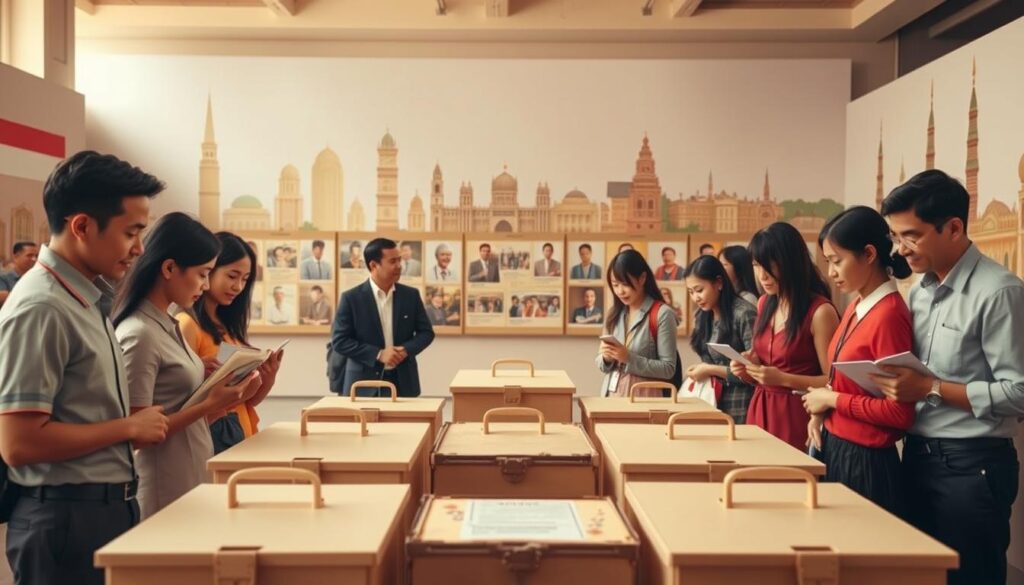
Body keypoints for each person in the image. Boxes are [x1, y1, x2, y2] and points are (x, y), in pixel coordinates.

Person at [0, 151, 170, 585]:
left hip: (100, 512)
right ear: (81, 226)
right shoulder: (42, 307)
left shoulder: (84, 297)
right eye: (131, 232)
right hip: (65, 519)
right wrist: (128, 428)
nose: (139, 248)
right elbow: (18, 444)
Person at [872, 170, 1024, 585]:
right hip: (918, 454)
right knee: (918, 575)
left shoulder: (999, 292)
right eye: (894, 237)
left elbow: (1020, 392)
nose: (900, 250)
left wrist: (930, 388)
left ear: (954, 227)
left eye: (911, 236)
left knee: (968, 578)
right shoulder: (920, 289)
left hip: (971, 467)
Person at [112, 213, 261, 520]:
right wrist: (208, 404)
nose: (206, 285)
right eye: (203, 273)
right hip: (163, 486)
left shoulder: (165, 324)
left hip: (190, 473)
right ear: (169, 268)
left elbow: (175, 407)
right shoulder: (140, 332)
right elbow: (138, 433)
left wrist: (217, 393)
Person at [797, 206, 915, 516]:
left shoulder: (889, 315)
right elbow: (843, 379)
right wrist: (821, 413)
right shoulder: (856, 306)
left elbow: (899, 414)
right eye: (828, 263)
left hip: (866, 460)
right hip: (836, 445)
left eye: (837, 261)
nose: (831, 272)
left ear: (869, 254)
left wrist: (832, 399)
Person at [730, 222, 839, 450]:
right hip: (760, 408)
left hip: (796, 414)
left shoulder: (820, 312)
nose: (762, 276)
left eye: (770, 265)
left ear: (791, 263)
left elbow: (833, 382)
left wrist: (782, 379)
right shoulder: (764, 303)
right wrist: (748, 367)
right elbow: (765, 365)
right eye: (756, 265)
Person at [179, 232, 283, 454]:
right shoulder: (187, 324)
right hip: (210, 440)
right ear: (209, 272)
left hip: (240, 435)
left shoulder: (229, 329)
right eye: (232, 276)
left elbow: (246, 402)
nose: (238, 287)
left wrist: (268, 376)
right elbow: (183, 403)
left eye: (245, 279)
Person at [331, 238, 435, 397]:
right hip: (362, 385)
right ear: (373, 265)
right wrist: (378, 354)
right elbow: (339, 341)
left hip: (403, 382)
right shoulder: (351, 299)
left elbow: (426, 333)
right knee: (365, 423)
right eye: (393, 261)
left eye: (399, 260)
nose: (399, 266)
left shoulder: (410, 296)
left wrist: (406, 349)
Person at [684, 256, 757, 422]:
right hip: (710, 401)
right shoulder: (702, 315)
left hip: (739, 405)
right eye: (691, 292)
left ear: (719, 282)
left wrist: (709, 369)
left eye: (699, 290)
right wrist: (702, 368)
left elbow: (754, 371)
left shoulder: (744, 313)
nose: (695, 297)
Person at [597, 250, 679, 397]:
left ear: (642, 278)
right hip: (611, 398)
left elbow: (668, 368)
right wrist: (606, 358)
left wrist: (629, 358)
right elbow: (601, 364)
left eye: (625, 284)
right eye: (615, 285)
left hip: (644, 400)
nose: (620, 291)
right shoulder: (613, 314)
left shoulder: (662, 314)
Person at [0, 242, 39, 308]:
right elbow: (2, 298)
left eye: (36, 256)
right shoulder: (3, 278)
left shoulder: (37, 278)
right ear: (16, 257)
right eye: (29, 255)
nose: (34, 259)